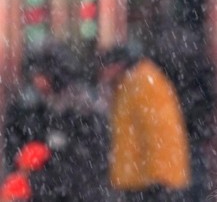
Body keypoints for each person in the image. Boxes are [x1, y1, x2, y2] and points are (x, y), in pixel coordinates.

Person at [4, 40, 110, 201]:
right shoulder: (47, 107)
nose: (37, 82)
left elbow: (81, 166)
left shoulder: (80, 110)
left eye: (40, 76)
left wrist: (35, 181)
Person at [98, 44, 191, 202]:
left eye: (105, 68)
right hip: (141, 176)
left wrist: (159, 177)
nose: (102, 74)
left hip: (148, 179)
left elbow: (158, 131)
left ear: (117, 65)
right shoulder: (130, 83)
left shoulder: (141, 82)